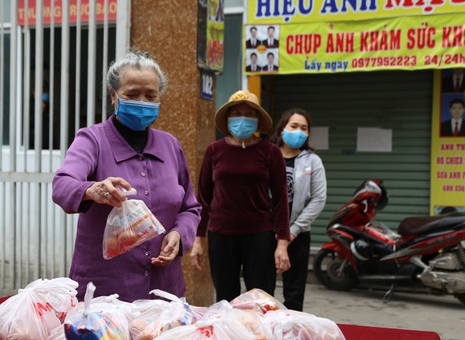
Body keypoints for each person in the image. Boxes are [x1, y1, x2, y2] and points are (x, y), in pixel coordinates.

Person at [52, 50, 201, 302]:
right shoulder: (92, 139)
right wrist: (93, 190)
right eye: (132, 94)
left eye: (150, 95)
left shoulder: (170, 145)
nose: (142, 101)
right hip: (105, 291)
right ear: (113, 95)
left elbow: (190, 207)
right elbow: (62, 185)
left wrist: (179, 235)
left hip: (163, 290)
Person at [190, 89, 290, 302]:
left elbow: (282, 200)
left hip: (260, 234)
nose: (242, 118)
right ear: (227, 119)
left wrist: (282, 243)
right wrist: (198, 239)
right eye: (236, 113)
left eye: (249, 113)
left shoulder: (270, 152)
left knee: (261, 299)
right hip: (221, 235)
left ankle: (261, 336)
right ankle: (230, 336)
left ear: (257, 119)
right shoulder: (214, 150)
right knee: (226, 299)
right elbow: (203, 198)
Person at [271, 108, 327, 311]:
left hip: (298, 235)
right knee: (262, 293)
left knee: (294, 295)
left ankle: (292, 338)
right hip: (265, 232)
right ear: (282, 128)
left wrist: (292, 231)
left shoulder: (312, 161)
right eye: (293, 126)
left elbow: (319, 199)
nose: (299, 132)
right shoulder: (268, 155)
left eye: (304, 128)